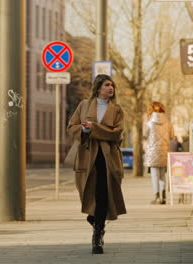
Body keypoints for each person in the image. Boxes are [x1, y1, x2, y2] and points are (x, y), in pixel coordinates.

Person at [67, 74, 126, 254]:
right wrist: (85, 129)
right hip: (87, 156)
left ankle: (97, 236)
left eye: (112, 86)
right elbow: (71, 127)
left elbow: (116, 133)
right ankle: (94, 219)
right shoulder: (84, 105)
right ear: (98, 87)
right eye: (107, 85)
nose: (111, 88)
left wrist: (95, 129)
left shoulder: (117, 109)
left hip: (107, 158)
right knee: (88, 193)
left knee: (103, 195)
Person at [144, 101, 174, 205]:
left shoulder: (148, 123)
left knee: (154, 175)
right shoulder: (168, 123)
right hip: (165, 151)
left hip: (152, 152)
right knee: (162, 175)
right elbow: (172, 136)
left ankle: (157, 197)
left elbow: (145, 135)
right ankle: (164, 197)